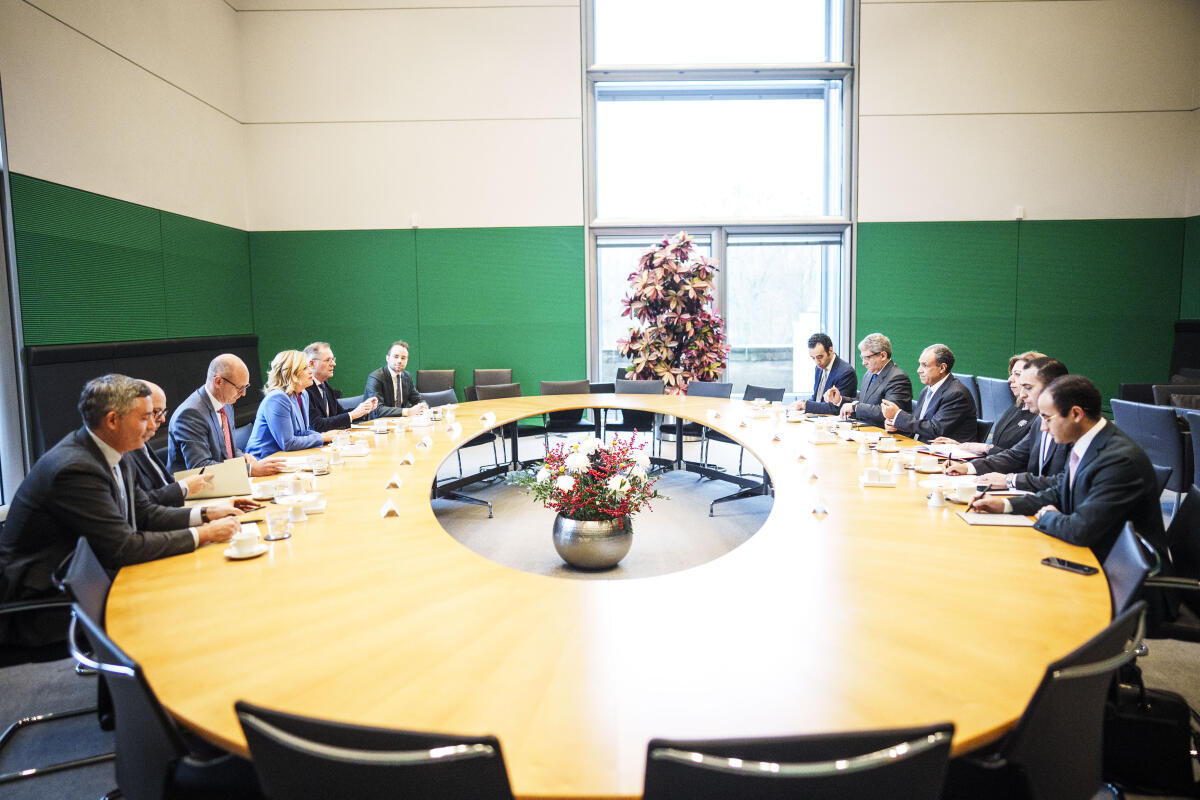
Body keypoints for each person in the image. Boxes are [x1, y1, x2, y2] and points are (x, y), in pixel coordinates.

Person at [0, 375, 242, 646]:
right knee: (190, 597)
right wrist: (204, 534)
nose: (153, 425)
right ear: (113, 420)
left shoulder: (116, 451)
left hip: (93, 573)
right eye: (144, 417)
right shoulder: (75, 469)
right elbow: (124, 547)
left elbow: (146, 513)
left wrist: (206, 513)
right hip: (47, 596)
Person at [968, 375, 1165, 561]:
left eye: (1047, 418)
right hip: (1093, 552)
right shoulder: (1088, 441)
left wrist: (1047, 516)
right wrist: (1005, 505)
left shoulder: (1119, 460)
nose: (1043, 428)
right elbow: (1060, 491)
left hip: (1119, 572)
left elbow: (1081, 530)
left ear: (1076, 414)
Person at [946, 357, 1070, 491]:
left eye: (1028, 388)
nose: (1022, 395)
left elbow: (1064, 483)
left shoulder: (1071, 428)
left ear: (1053, 387)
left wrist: (1010, 481)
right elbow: (1015, 455)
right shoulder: (1040, 419)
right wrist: (968, 467)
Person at [167, 354, 283, 476]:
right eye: (239, 388)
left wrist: (242, 457)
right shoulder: (191, 414)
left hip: (224, 481)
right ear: (218, 382)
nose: (243, 394)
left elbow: (228, 450)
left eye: (245, 387)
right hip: (195, 489)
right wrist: (249, 470)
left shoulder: (226, 404)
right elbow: (200, 468)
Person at [931, 351, 1044, 455]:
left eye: (1017, 374)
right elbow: (998, 448)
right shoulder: (1017, 407)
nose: (1010, 379)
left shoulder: (1040, 417)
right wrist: (960, 447)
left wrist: (985, 448)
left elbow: (1017, 457)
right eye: (1012, 374)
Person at [245, 350, 337, 459]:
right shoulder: (278, 398)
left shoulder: (303, 394)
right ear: (291, 373)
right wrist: (323, 437)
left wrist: (331, 435)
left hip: (287, 457)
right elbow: (288, 443)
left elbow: (303, 432)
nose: (310, 371)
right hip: (263, 460)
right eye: (305, 368)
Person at [880, 344, 976, 443]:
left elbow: (935, 430)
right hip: (921, 448)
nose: (919, 370)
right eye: (920, 364)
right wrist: (896, 425)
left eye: (925, 365)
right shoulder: (926, 390)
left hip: (947, 455)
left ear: (942, 368)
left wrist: (898, 416)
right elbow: (919, 424)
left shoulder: (956, 394)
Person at [831, 333, 912, 427]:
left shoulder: (898, 378)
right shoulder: (869, 374)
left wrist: (855, 407)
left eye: (867, 357)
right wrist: (840, 400)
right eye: (862, 357)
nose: (863, 363)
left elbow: (888, 413)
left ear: (883, 356)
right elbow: (864, 402)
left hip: (887, 435)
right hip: (866, 431)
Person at [303, 342, 377, 431]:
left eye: (333, 359)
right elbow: (317, 425)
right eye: (328, 360)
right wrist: (353, 414)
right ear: (312, 364)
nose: (333, 364)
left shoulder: (325, 386)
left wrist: (363, 409)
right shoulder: (305, 389)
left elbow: (338, 414)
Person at [793, 333, 857, 415]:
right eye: (813, 358)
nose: (817, 362)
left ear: (830, 350)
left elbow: (837, 407)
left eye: (820, 357)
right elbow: (817, 398)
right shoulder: (819, 368)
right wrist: (800, 404)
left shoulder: (846, 372)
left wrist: (806, 405)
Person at [364, 341, 427, 418]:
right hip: (377, 424)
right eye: (396, 357)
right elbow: (377, 410)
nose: (399, 361)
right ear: (387, 358)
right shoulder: (376, 377)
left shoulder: (407, 376)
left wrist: (423, 406)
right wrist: (408, 411)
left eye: (403, 358)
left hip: (401, 422)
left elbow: (417, 399)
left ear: (407, 360)